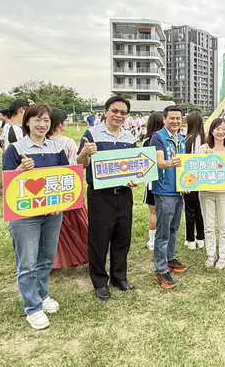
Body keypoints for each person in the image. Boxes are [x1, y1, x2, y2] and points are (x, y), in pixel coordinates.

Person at [2, 104, 69, 330]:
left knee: (46, 258)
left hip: (52, 214)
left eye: (46, 120)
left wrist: (60, 204)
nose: (42, 124)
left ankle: (42, 294)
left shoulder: (57, 147)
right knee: (28, 262)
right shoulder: (15, 149)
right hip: (24, 216)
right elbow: (6, 185)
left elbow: (65, 177)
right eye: (37, 120)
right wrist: (20, 170)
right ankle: (32, 308)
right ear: (27, 122)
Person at [77, 96, 138, 301]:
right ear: (106, 111)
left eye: (123, 113)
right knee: (99, 239)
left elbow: (134, 165)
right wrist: (85, 152)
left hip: (124, 194)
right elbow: (81, 164)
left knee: (123, 237)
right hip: (100, 196)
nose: (118, 115)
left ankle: (119, 277)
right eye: (115, 111)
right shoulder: (91, 134)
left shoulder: (130, 137)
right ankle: (99, 281)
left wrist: (135, 178)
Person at [150, 105, 188, 289]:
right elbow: (158, 162)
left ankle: (170, 258)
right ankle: (160, 268)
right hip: (164, 190)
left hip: (179, 190)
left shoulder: (181, 138)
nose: (175, 121)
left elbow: (186, 165)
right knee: (163, 231)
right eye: (172, 118)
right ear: (164, 119)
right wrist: (170, 163)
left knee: (174, 228)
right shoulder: (158, 137)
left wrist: (187, 183)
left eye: (178, 118)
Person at [47, 109, 89, 269]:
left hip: (50, 188)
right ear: (59, 124)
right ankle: (79, 253)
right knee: (75, 224)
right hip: (68, 187)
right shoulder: (67, 142)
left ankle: (55, 258)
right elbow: (74, 166)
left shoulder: (43, 141)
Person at [198, 118, 225, 269]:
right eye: (217, 129)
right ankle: (211, 254)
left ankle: (223, 256)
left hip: (224, 192)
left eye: (223, 129)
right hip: (206, 192)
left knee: (224, 224)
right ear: (211, 131)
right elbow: (195, 168)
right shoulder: (203, 148)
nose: (221, 132)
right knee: (208, 225)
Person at [183, 111, 205, 250]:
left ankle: (191, 239)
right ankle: (200, 238)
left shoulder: (190, 138)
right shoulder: (204, 138)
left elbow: (191, 160)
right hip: (202, 179)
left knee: (190, 210)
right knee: (199, 209)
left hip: (190, 178)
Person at [142, 112, 164, 250]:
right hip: (165, 181)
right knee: (163, 212)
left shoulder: (146, 142)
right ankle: (162, 239)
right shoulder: (164, 139)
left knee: (153, 212)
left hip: (151, 181)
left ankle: (152, 241)